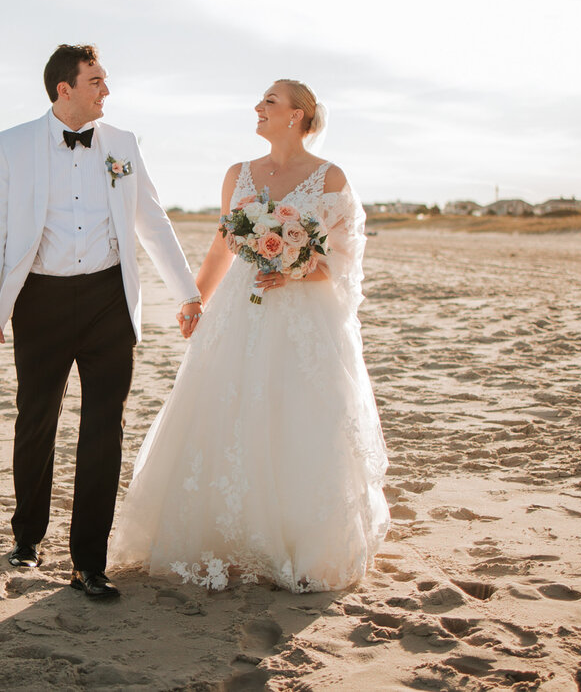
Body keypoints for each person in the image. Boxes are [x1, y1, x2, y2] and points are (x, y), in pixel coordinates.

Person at [110, 79, 390, 592]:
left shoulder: (330, 179)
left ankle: (295, 540)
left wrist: (295, 269)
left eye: (270, 102)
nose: (258, 108)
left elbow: (344, 258)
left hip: (302, 312)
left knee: (298, 412)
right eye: (261, 101)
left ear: (298, 115)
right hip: (242, 304)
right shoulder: (239, 174)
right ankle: (220, 533)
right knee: (224, 408)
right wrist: (195, 299)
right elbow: (222, 246)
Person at [0, 44, 203, 601]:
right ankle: (27, 538)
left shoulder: (122, 145)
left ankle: (88, 563)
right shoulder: (12, 145)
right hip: (40, 301)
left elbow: (152, 220)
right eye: (96, 81)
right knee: (36, 422)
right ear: (64, 90)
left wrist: (187, 292)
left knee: (105, 431)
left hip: (108, 300)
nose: (107, 91)